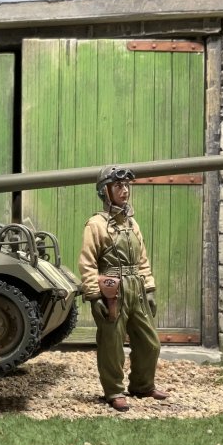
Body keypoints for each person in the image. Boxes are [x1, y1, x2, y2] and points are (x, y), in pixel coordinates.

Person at [78, 166, 169, 412]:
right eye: (118, 186)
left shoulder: (131, 223)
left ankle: (142, 384)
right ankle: (114, 391)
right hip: (112, 291)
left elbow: (142, 259)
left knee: (150, 342)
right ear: (106, 191)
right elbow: (87, 262)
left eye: (127, 186)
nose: (125, 190)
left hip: (136, 287)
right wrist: (94, 294)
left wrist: (148, 288)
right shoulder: (95, 225)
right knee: (112, 343)